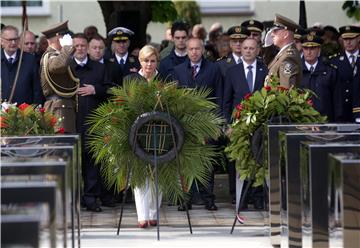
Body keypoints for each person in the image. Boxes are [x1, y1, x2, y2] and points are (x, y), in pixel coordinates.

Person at [173, 37, 223, 211]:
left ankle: (208, 198)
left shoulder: (214, 69)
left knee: (206, 162)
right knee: (186, 161)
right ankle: (185, 199)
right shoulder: (178, 70)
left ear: (203, 50)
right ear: (186, 50)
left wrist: (217, 124)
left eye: (197, 49)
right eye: (191, 49)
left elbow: (219, 97)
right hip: (185, 125)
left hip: (207, 123)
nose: (194, 52)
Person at [123, 45, 162, 228]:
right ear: (140, 61)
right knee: (140, 175)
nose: (149, 64)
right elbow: (124, 107)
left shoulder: (165, 80)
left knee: (157, 175)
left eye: (152, 61)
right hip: (137, 134)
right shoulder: (130, 80)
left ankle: (154, 213)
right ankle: (142, 215)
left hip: (160, 134)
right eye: (146, 60)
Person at [71, 33, 109, 212]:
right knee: (73, 163)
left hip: (93, 123)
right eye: (76, 46)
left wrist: (96, 89)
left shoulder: (99, 68)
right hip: (71, 122)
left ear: (87, 47)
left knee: (92, 162)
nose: (79, 49)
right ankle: (74, 199)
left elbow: (111, 90)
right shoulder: (66, 67)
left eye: (82, 45)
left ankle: (91, 198)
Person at [40, 20, 79, 133]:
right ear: (59, 38)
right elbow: (58, 66)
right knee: (60, 145)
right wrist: (66, 47)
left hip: (64, 106)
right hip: (58, 108)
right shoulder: (50, 56)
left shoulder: (59, 55)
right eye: (65, 36)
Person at [300, 33, 339, 122]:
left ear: (319, 50)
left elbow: (337, 101)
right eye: (306, 48)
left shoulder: (330, 71)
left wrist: (337, 122)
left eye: (312, 48)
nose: (309, 52)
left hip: (326, 122)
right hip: (302, 122)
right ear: (302, 50)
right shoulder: (297, 71)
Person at [1, 25, 44, 105]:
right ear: (1, 41)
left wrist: (35, 113)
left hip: (25, 114)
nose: (13, 43)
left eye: (15, 39)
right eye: (10, 40)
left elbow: (37, 90)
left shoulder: (30, 60)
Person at [329, 25, 360, 122]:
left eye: (351, 38)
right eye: (345, 39)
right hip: (342, 112)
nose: (348, 42)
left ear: (358, 38)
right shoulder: (334, 61)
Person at [265, 14, 302, 88]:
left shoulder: (288, 57)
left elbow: (286, 90)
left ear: (285, 34)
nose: (272, 34)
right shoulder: (283, 53)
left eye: (275, 31)